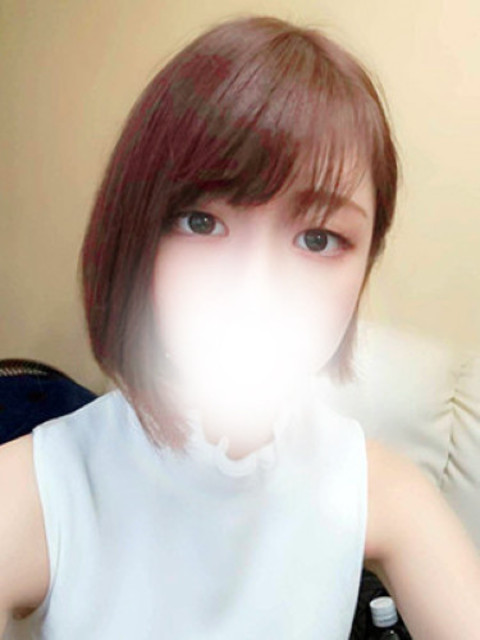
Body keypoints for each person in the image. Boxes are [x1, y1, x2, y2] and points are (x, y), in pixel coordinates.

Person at [1, 14, 480, 640]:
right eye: (201, 222)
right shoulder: (36, 489)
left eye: (318, 238)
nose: (256, 290)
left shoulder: (381, 490)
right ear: (133, 232)